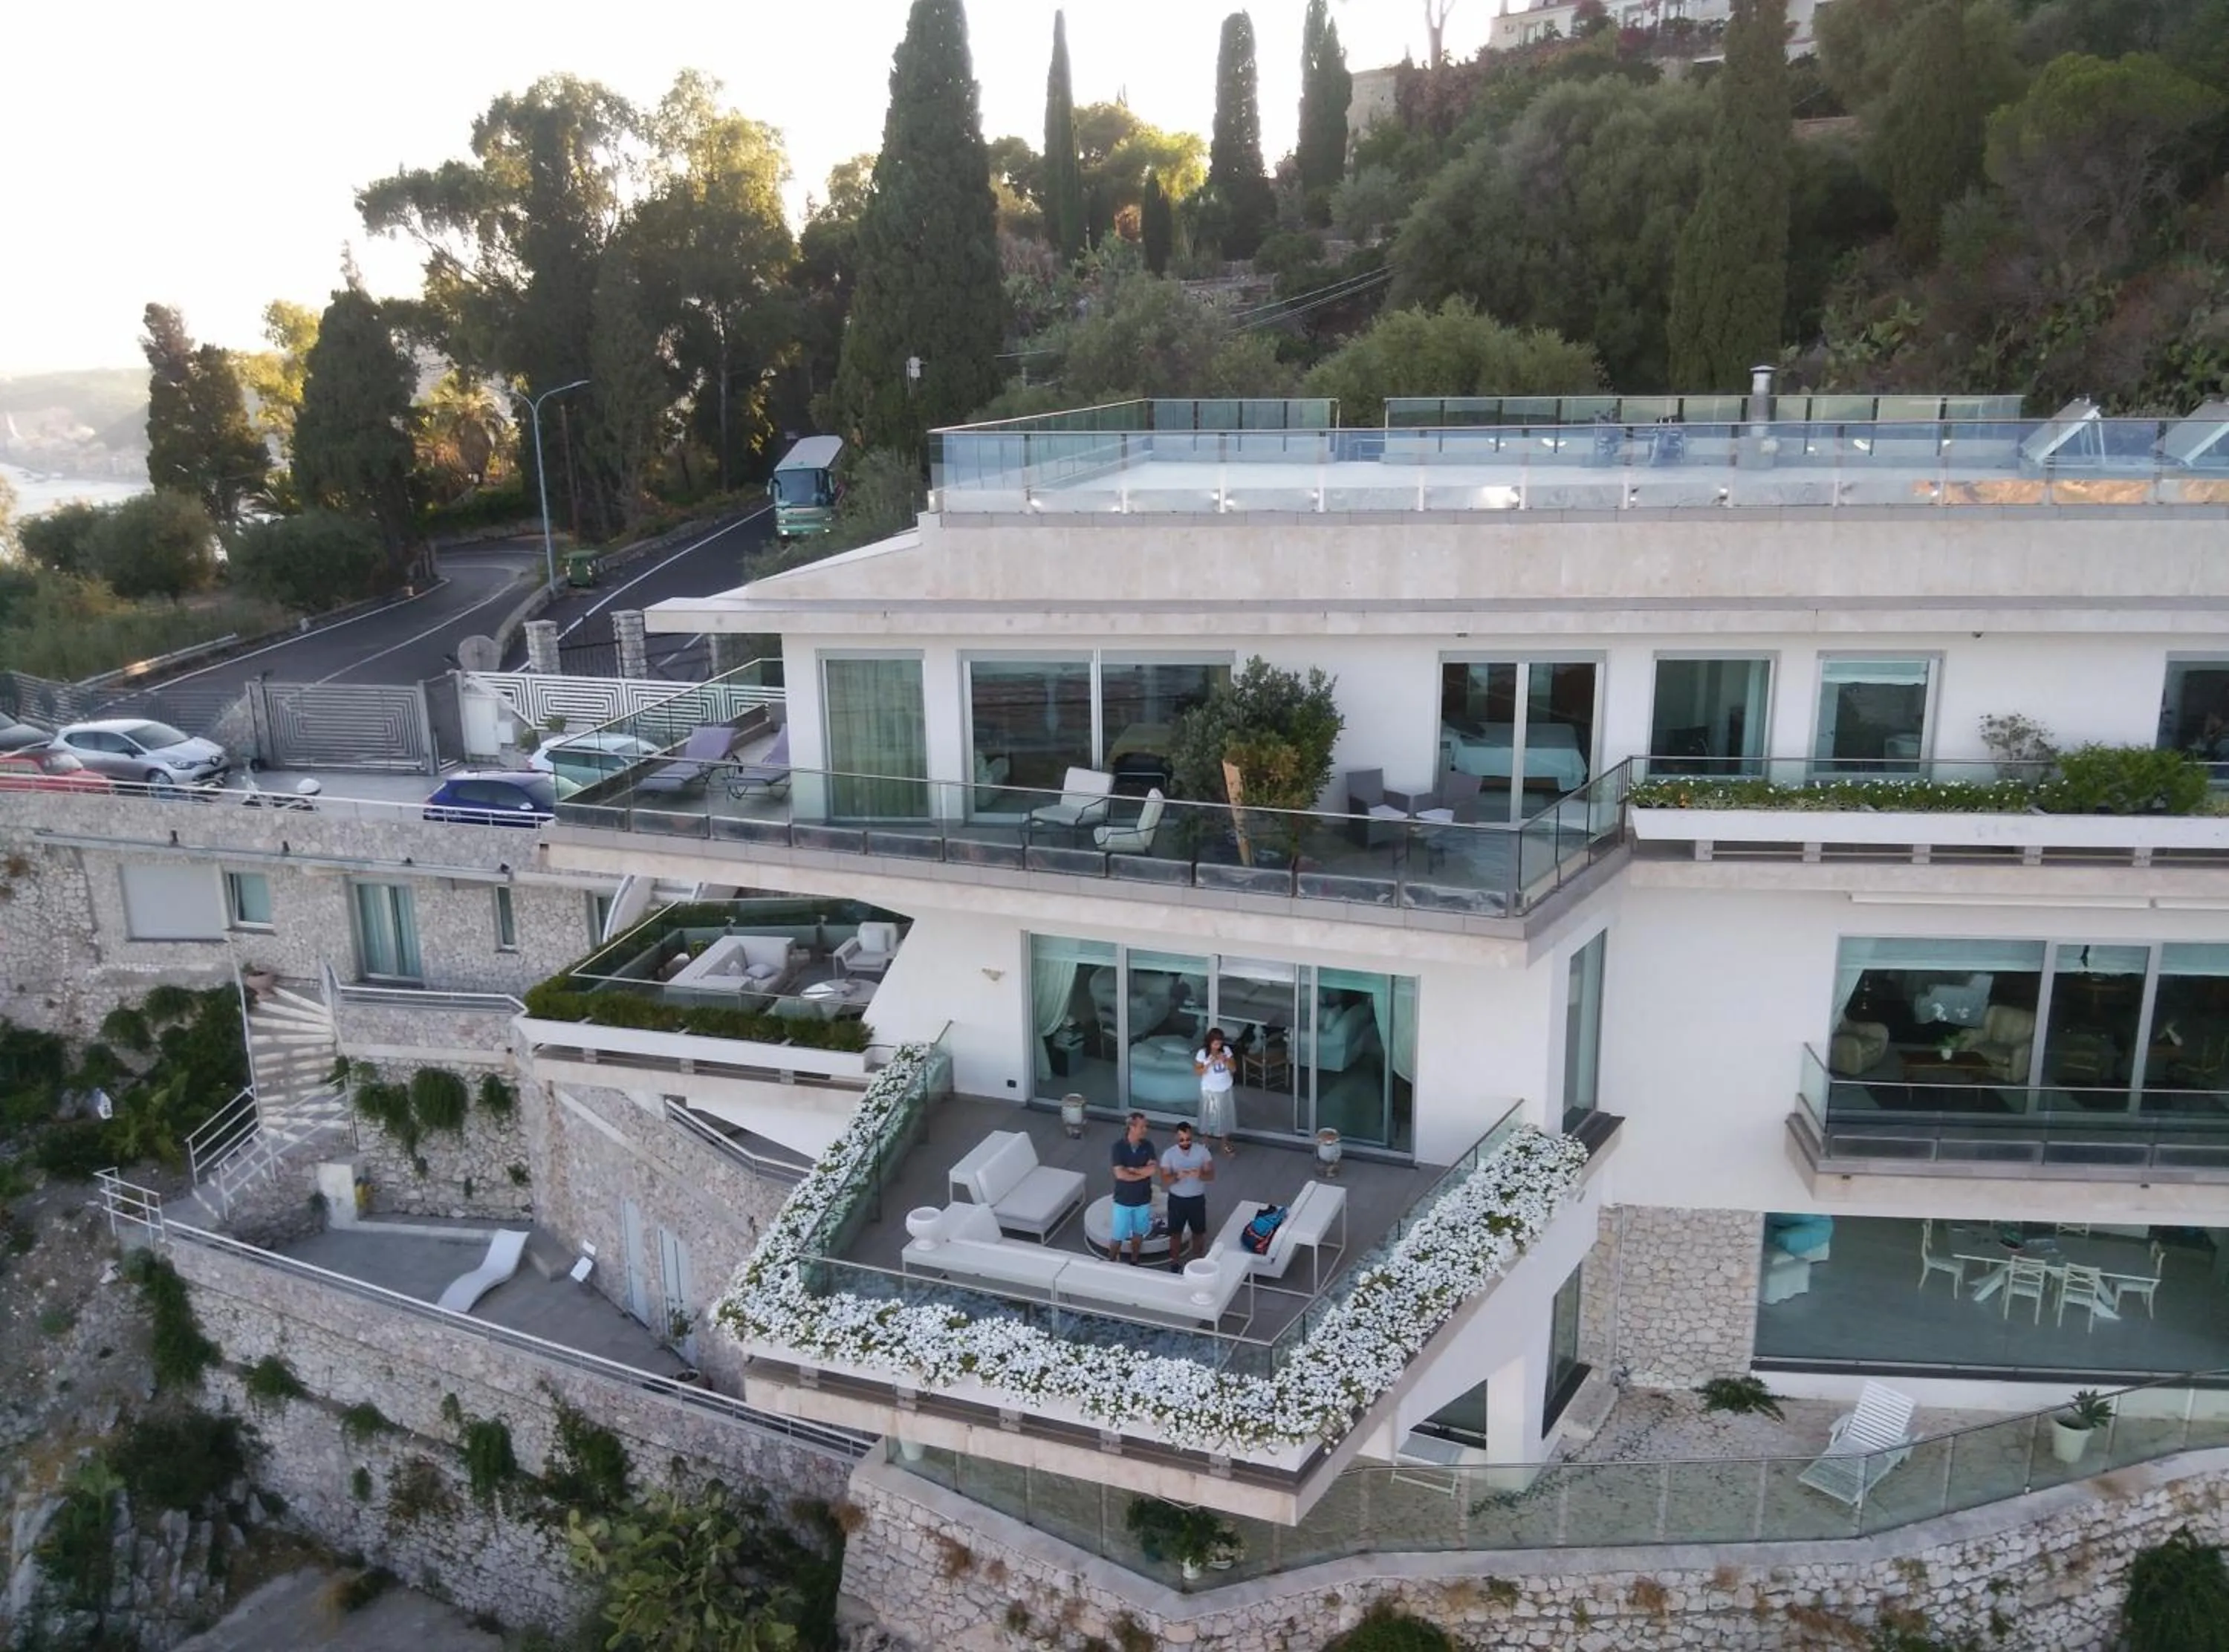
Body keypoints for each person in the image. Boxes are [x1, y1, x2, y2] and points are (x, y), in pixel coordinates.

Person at [1158, 1121, 1216, 1272]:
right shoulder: (1169, 1154)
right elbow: (1165, 1179)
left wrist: (1200, 1174)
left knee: (1199, 1232)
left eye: (1188, 1139)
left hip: (1196, 1199)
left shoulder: (1203, 1152)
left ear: (1192, 1136)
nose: (1185, 1143)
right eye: (1182, 1140)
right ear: (1176, 1138)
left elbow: (1211, 1175)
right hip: (1177, 1200)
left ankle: (1197, 1261)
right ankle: (1174, 1263)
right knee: (1175, 1233)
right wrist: (1177, 1176)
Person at [1108, 1110, 1158, 1264]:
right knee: (1117, 1236)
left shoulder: (1148, 1146)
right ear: (1132, 1127)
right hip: (1123, 1200)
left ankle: (1134, 1261)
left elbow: (1152, 1170)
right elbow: (1120, 1174)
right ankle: (1110, 1262)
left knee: (1139, 1233)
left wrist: (1133, 1170)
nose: (1145, 1130)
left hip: (1143, 1200)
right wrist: (1142, 1173)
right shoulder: (1118, 1147)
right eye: (1142, 1127)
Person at [1194, 1027, 1237, 1157]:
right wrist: (1208, 1064)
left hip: (1225, 1089)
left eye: (1220, 1043)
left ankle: (1224, 1144)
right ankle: (1205, 1143)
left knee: (1225, 1117)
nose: (1218, 1046)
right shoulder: (1202, 1053)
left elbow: (1234, 1069)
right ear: (1210, 1042)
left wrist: (1225, 1060)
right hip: (1210, 1090)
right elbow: (1198, 1072)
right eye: (1215, 1043)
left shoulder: (1226, 1050)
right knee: (1208, 1116)